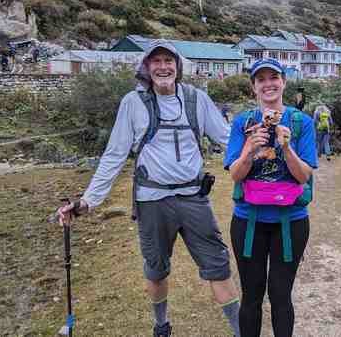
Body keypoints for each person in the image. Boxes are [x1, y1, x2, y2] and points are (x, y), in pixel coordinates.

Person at [56, 40, 242, 337]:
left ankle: (240, 330)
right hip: (151, 201)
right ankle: (161, 325)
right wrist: (88, 201)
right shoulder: (133, 102)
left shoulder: (197, 99)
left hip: (194, 198)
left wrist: (263, 145)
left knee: (218, 266)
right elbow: (115, 154)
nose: (163, 66)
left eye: (169, 60)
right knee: (156, 268)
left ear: (178, 67)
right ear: (147, 68)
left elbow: (229, 138)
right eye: (156, 62)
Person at [224, 58, 317, 337]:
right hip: (248, 221)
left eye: (273, 78)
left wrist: (287, 148)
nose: (268, 84)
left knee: (280, 295)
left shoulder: (302, 122)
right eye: (261, 79)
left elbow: (303, 176)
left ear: (284, 82)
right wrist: (250, 149)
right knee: (251, 296)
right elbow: (236, 175)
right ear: (254, 87)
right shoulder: (243, 123)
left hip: (291, 223)